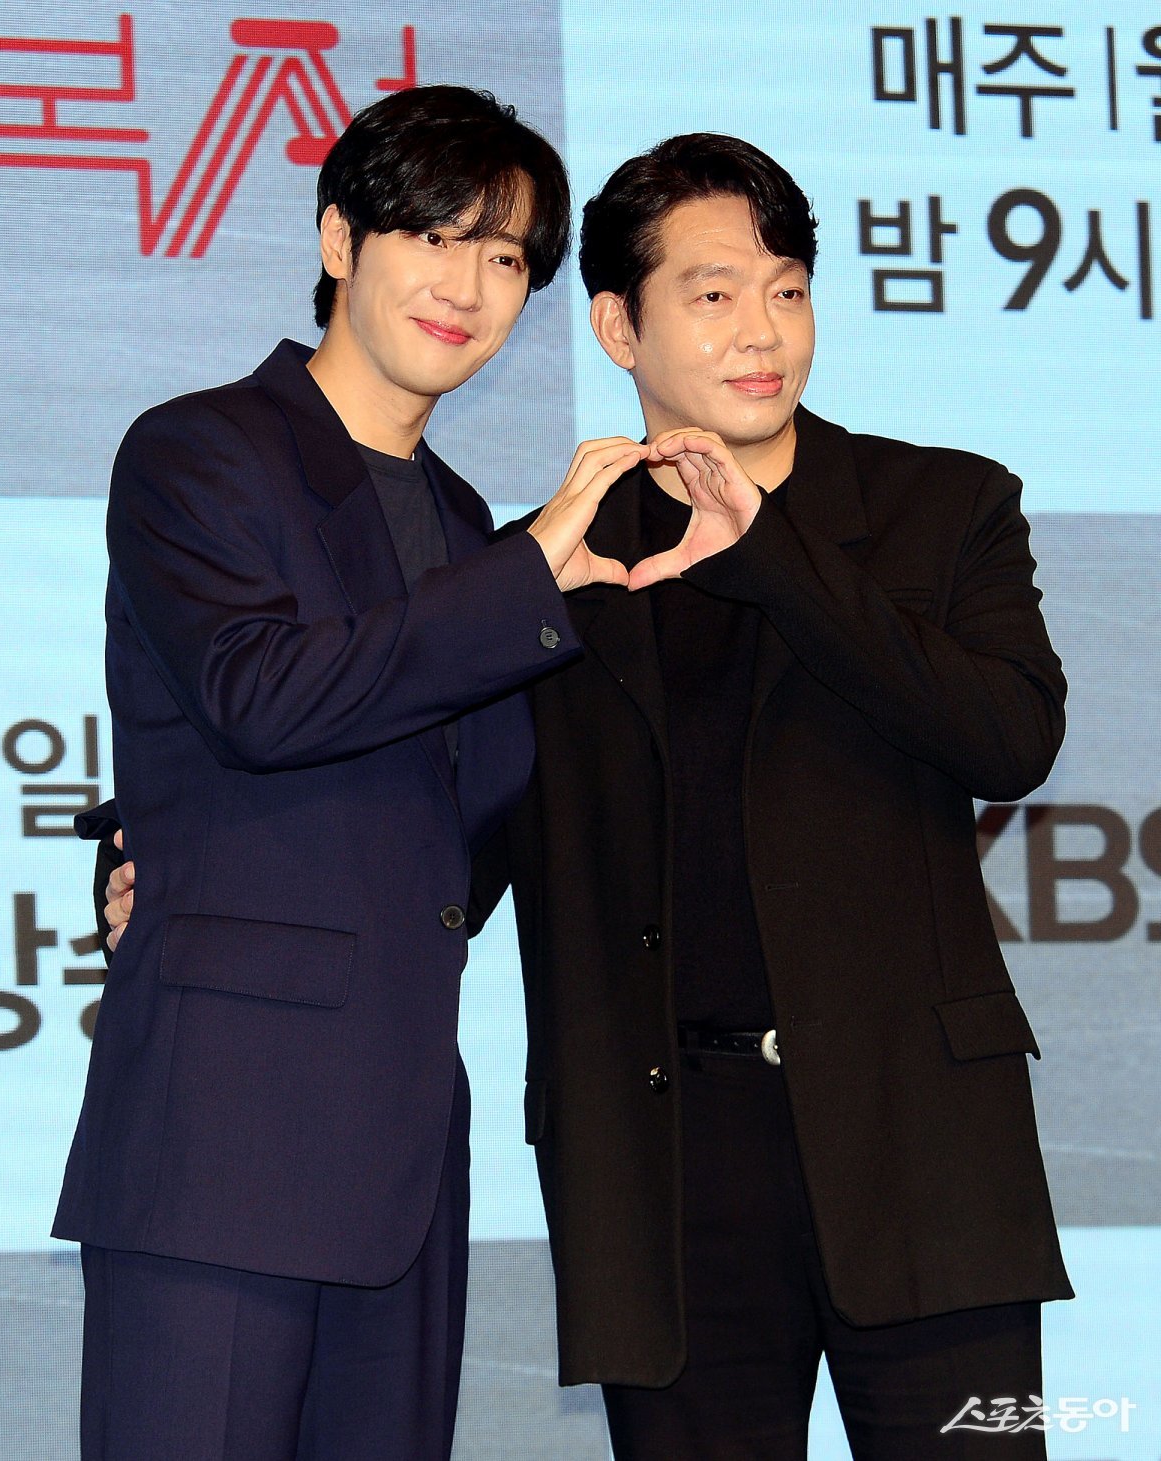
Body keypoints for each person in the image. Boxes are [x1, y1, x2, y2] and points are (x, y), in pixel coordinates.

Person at [101, 132, 1074, 1459]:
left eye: (788, 291)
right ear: (619, 327)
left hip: (929, 1164)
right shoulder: (540, 569)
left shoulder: (942, 507)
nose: (762, 331)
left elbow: (1010, 739)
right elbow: (431, 816)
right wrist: (173, 853)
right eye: (714, 293)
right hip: (664, 1180)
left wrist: (775, 557)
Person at [56, 83, 648, 1461]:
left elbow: (454, 830)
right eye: (433, 235)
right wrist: (161, 844)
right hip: (223, 1137)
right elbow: (256, 698)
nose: (468, 286)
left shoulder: (465, 525)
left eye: (505, 257)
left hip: (403, 1154)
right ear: (339, 241)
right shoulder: (199, 450)